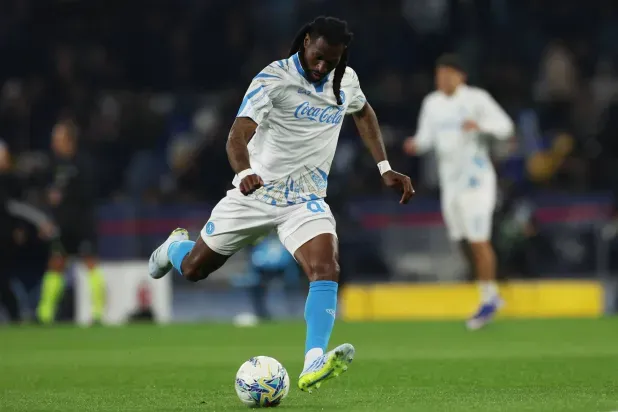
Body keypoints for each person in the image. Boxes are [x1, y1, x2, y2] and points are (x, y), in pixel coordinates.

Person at [149, 16, 414, 392]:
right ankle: (174, 247)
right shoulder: (273, 79)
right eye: (318, 57)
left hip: (305, 200)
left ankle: (313, 361)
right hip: (256, 194)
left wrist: (384, 167)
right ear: (306, 42)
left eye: (331, 61)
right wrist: (244, 172)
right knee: (194, 269)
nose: (322, 67)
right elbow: (237, 135)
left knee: (326, 268)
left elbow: (363, 112)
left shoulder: (345, 81)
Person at [403, 54, 514, 330]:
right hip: (450, 185)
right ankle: (488, 289)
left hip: (476, 181)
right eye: (439, 75)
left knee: (478, 240)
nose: (442, 79)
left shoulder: (476, 99)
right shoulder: (432, 103)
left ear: (461, 76)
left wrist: (481, 126)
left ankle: (489, 297)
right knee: (462, 241)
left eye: (447, 74)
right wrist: (415, 144)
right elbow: (426, 137)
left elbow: (505, 127)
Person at [36, 120, 105, 325]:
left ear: (69, 140)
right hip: (62, 225)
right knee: (56, 263)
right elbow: (47, 194)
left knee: (90, 263)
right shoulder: (53, 165)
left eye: (57, 138)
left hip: (82, 224)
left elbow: (88, 194)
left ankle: (98, 313)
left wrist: (64, 195)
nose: (54, 143)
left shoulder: (84, 163)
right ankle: (44, 314)